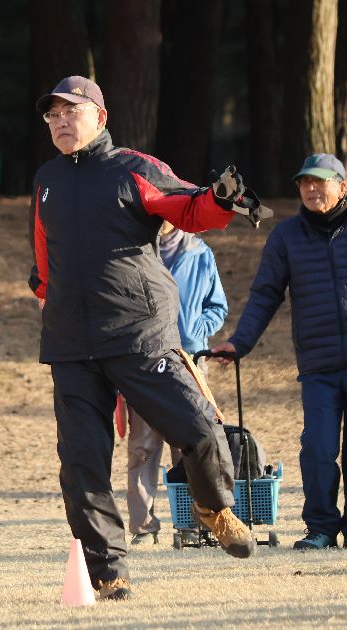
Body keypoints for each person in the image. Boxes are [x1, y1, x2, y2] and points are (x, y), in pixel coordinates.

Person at [28, 75, 270, 601]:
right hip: (71, 345)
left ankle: (214, 508)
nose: (61, 121)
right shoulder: (46, 180)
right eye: (53, 115)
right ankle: (109, 574)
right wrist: (46, 293)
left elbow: (191, 210)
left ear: (100, 117)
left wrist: (222, 200)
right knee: (82, 467)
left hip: (139, 334)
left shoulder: (134, 168)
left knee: (201, 430)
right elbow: (43, 254)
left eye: (71, 111)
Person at [211, 153, 347, 551]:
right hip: (317, 362)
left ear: (342, 186)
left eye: (320, 181)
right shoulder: (286, 237)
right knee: (318, 447)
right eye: (304, 183)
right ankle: (320, 527)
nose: (311, 189)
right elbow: (265, 294)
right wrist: (239, 343)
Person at [126, 221, 228, 546]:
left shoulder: (200, 252)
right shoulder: (132, 250)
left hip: (189, 361)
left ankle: (192, 524)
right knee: (142, 447)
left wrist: (197, 330)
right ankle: (143, 527)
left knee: (191, 444)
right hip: (143, 360)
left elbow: (218, 306)